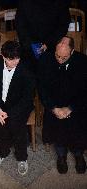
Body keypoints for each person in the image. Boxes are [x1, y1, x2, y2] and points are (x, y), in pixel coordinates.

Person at [37, 36, 87, 174]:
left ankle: (78, 154)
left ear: (72, 52)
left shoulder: (83, 62)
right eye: (57, 56)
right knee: (57, 127)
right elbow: (42, 89)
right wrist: (53, 108)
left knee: (79, 126)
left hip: (76, 106)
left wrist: (71, 108)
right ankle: (61, 155)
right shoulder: (45, 60)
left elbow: (85, 93)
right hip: (54, 105)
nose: (59, 60)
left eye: (63, 58)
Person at [0, 41, 35, 176]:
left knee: (18, 131)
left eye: (17, 59)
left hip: (19, 106)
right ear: (3, 56)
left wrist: (8, 114)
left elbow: (27, 98)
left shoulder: (27, 69)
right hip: (0, 105)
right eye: (11, 59)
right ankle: (2, 153)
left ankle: (22, 158)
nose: (15, 62)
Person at [15, 0, 71, 71]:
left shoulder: (60, 2)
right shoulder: (25, 2)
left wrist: (48, 43)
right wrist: (33, 44)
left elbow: (63, 25)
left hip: (53, 46)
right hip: (30, 48)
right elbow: (20, 25)